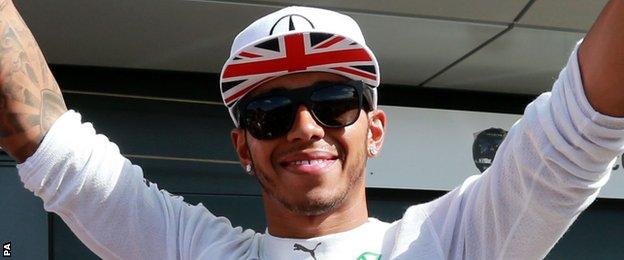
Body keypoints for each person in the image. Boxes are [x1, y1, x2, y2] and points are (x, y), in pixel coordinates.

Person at [2, 0, 624, 259]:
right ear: (243, 146)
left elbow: (581, 129)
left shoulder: (454, 241)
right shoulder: (193, 251)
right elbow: (47, 141)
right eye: (270, 113)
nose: (305, 127)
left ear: (375, 130)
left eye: (334, 101)